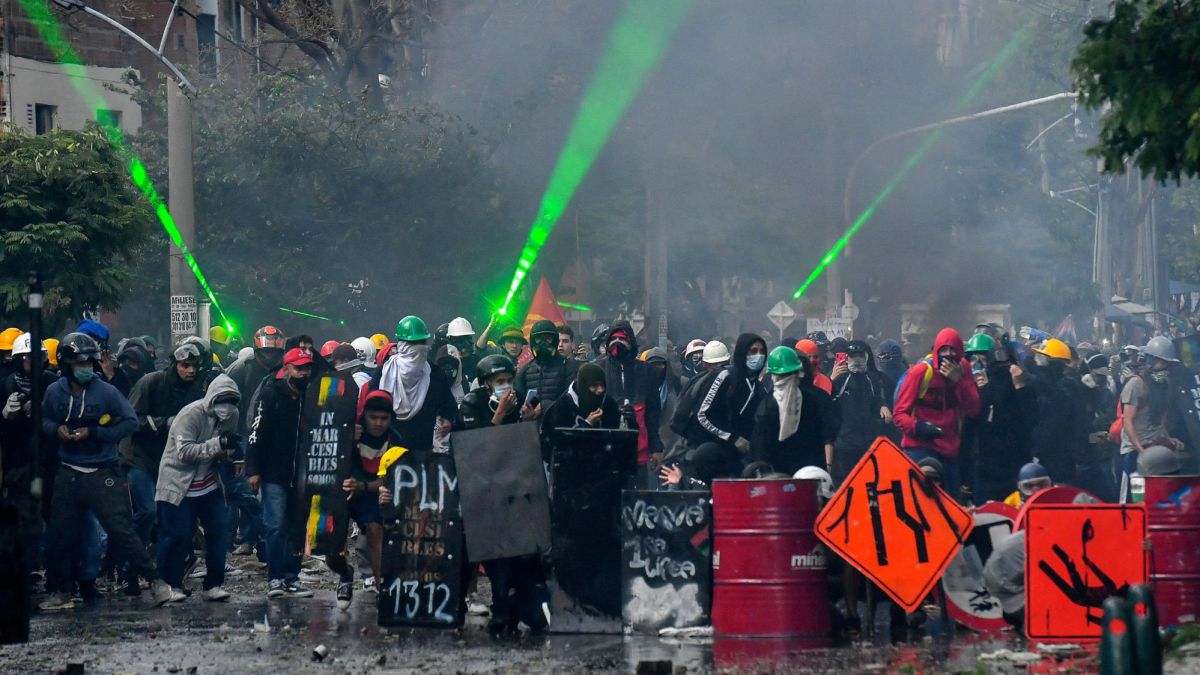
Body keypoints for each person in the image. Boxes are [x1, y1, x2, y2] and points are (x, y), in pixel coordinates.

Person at [40, 333, 179, 610]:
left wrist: (95, 433)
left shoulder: (106, 392)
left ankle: (155, 581)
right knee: (60, 533)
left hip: (102, 470)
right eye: (79, 362)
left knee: (120, 529)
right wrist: (57, 430)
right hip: (67, 470)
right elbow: (45, 420)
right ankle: (62, 590)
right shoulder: (54, 392)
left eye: (90, 362)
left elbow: (129, 422)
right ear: (66, 364)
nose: (86, 367)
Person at [458, 355, 548, 635]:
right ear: (487, 384)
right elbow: (473, 449)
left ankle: (518, 605)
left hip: (515, 491)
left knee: (520, 554)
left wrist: (530, 421)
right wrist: (498, 417)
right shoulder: (473, 403)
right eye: (500, 382)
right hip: (482, 491)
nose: (506, 386)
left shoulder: (521, 402)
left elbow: (530, 447)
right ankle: (477, 605)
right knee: (487, 554)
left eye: (509, 380)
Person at [155, 374, 242, 601]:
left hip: (208, 484)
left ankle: (213, 585)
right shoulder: (190, 414)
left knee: (218, 533)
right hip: (179, 484)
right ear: (211, 397)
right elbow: (184, 453)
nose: (227, 406)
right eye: (222, 400)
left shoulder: (232, 416)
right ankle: (170, 585)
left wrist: (229, 452)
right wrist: (217, 445)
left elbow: (226, 447)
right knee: (177, 536)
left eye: (232, 401)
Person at [121, 341, 205, 551]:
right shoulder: (151, 382)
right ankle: (129, 561)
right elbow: (129, 420)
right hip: (139, 458)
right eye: (185, 365)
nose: (190, 370)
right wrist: (163, 422)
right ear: (174, 364)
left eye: (194, 366)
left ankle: (162, 563)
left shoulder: (194, 390)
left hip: (170, 462)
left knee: (170, 515)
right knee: (148, 511)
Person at [246, 347, 315, 599]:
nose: (304, 372)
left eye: (307, 367)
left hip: (302, 474)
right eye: (298, 368)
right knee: (275, 525)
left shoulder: (312, 397)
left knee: (297, 527)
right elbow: (256, 433)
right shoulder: (270, 394)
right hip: (274, 472)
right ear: (286, 369)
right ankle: (275, 578)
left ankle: (292, 578)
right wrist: (253, 469)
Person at [892, 327, 981, 498]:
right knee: (921, 499)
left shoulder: (964, 369)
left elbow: (973, 410)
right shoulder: (921, 372)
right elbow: (899, 414)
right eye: (943, 350)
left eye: (952, 350)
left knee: (951, 502)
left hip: (950, 449)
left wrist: (960, 382)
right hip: (920, 447)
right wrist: (918, 427)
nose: (948, 355)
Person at [327, 390, 391, 610]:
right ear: (364, 415)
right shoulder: (348, 430)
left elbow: (391, 481)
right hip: (339, 493)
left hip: (369, 495)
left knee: (375, 530)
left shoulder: (396, 440)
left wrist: (363, 486)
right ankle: (345, 575)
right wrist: (346, 441)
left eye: (384, 418)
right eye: (373, 417)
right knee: (331, 548)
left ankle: (383, 589)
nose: (378, 423)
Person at [0, 333, 56, 579]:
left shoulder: (52, 383)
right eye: (28, 360)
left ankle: (54, 571)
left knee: (53, 518)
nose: (34, 364)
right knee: (22, 519)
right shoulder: (4, 385)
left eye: (39, 358)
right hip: (18, 464)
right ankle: (26, 568)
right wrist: (5, 415)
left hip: (49, 462)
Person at [677, 334, 767, 479]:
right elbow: (702, 415)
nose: (758, 356)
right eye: (753, 351)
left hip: (741, 456)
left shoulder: (757, 385)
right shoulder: (724, 376)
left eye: (761, 351)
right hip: (711, 452)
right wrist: (732, 438)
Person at [961, 332, 1037, 503]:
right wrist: (965, 474)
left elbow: (1031, 420)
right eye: (973, 359)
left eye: (982, 358)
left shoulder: (1019, 388)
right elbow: (968, 434)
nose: (977, 364)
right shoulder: (977, 393)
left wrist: (1020, 386)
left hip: (1015, 469)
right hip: (985, 473)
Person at [376, 316, 461, 452]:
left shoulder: (435, 375)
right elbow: (370, 406)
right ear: (401, 345)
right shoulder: (384, 373)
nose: (418, 348)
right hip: (390, 451)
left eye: (421, 342)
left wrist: (448, 420)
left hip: (423, 452)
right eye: (412, 343)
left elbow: (448, 405)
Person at [596, 321, 664, 485]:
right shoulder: (598, 369)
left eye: (622, 338)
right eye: (613, 339)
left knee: (637, 501)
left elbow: (653, 414)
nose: (617, 343)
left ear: (631, 342)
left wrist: (656, 447)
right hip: (606, 450)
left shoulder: (646, 371)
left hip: (639, 451)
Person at [751, 346, 837, 476]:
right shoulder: (767, 406)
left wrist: (823, 471)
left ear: (799, 374)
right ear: (773, 377)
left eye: (789, 375)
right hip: (776, 476)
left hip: (808, 473)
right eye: (781, 376)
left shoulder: (811, 402)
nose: (785, 380)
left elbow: (820, 439)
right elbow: (759, 448)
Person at [1118, 336, 1186, 502]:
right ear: (1151, 360)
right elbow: (1128, 421)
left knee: (1158, 497)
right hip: (1135, 452)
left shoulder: (1165, 384)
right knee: (1136, 498)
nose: (1166, 366)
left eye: (1167, 363)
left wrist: (1168, 438)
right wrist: (1141, 451)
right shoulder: (1135, 384)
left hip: (1156, 446)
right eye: (1163, 362)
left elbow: (1162, 417)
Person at [828, 340, 890, 483]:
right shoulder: (840, 378)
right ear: (846, 357)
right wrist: (831, 380)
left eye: (860, 355)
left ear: (866, 357)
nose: (857, 359)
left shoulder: (873, 379)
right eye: (853, 355)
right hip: (844, 444)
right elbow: (826, 403)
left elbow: (876, 401)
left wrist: (882, 406)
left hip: (867, 444)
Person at [513, 320, 580, 421]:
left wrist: (545, 406)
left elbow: (573, 400)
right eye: (539, 339)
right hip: (532, 427)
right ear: (533, 341)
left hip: (560, 426)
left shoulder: (570, 367)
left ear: (555, 340)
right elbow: (517, 403)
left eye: (548, 339)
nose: (543, 343)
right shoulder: (525, 370)